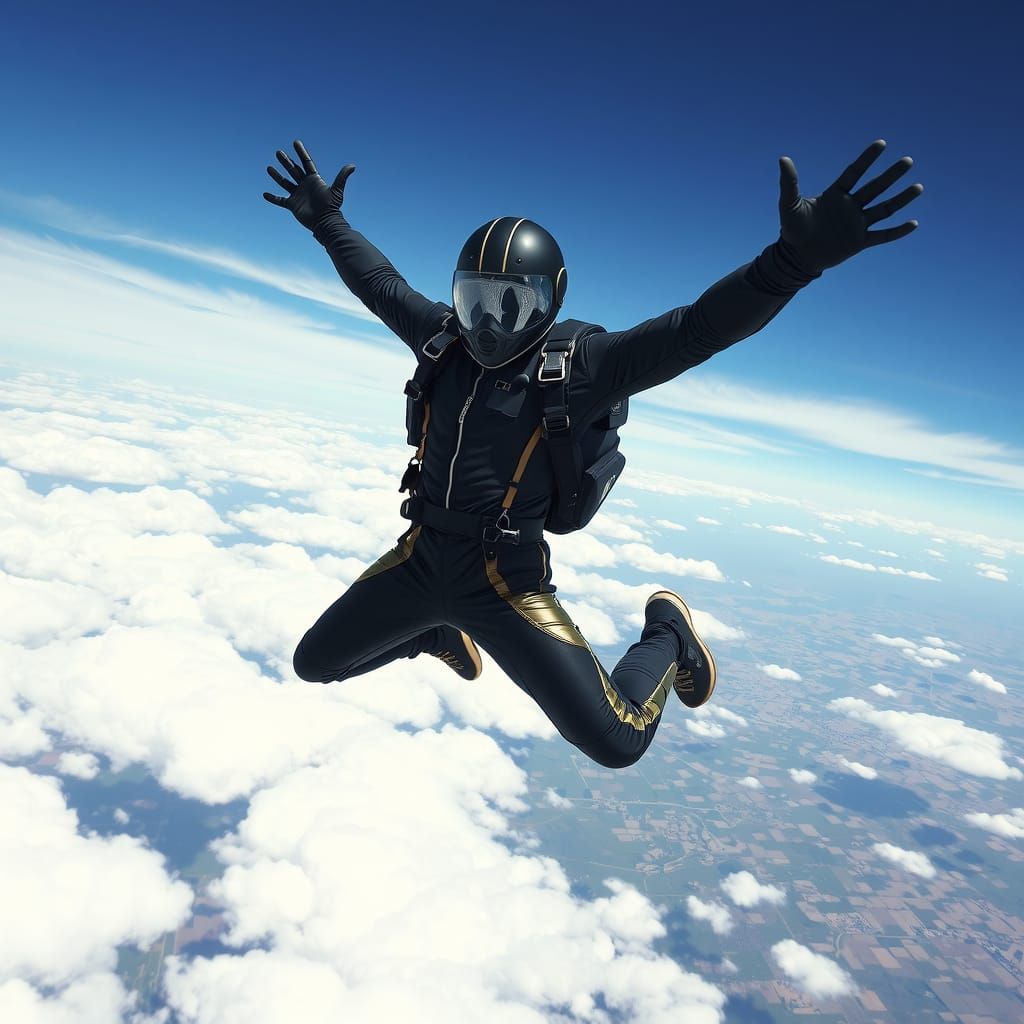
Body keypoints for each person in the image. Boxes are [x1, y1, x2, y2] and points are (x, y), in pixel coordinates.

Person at [264, 138, 923, 769]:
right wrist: (326, 221)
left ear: (550, 302)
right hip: (419, 556)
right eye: (476, 302)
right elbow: (378, 281)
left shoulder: (583, 368)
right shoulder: (442, 341)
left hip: (505, 584)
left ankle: (668, 634)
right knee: (315, 664)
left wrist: (790, 264)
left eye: (514, 304)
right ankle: (437, 631)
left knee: (620, 741)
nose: (490, 324)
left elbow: (697, 329)